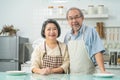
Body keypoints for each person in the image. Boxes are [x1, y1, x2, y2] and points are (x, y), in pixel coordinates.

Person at [64, 7, 107, 74]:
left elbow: (97, 52)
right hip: (72, 76)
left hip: (88, 75)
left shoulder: (90, 31)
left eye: (76, 17)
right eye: (71, 18)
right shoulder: (67, 36)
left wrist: (103, 71)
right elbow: (66, 57)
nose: (74, 21)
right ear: (68, 21)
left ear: (82, 18)